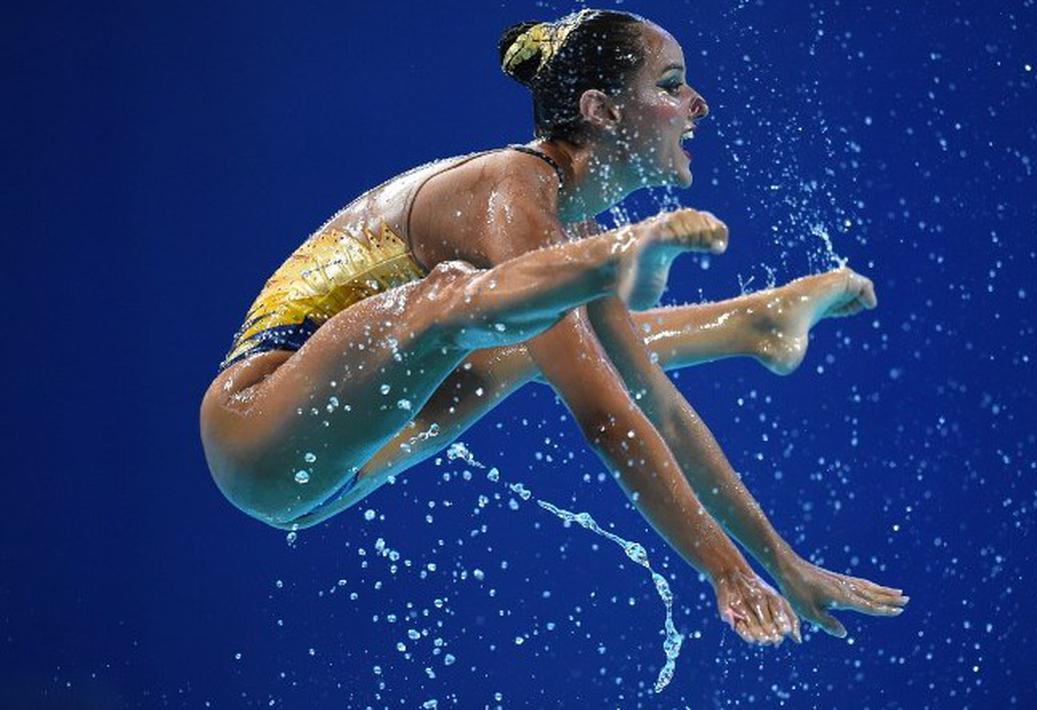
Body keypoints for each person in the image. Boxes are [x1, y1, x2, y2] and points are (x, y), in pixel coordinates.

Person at [199, 8, 907, 646]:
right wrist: (722, 570)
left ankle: (751, 321)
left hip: (338, 472)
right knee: (454, 303)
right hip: (259, 428)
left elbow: (653, 407)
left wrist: (780, 563)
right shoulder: (511, 189)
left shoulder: (559, 228)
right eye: (669, 85)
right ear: (599, 109)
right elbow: (602, 419)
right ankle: (650, 276)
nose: (698, 104)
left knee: (522, 338)